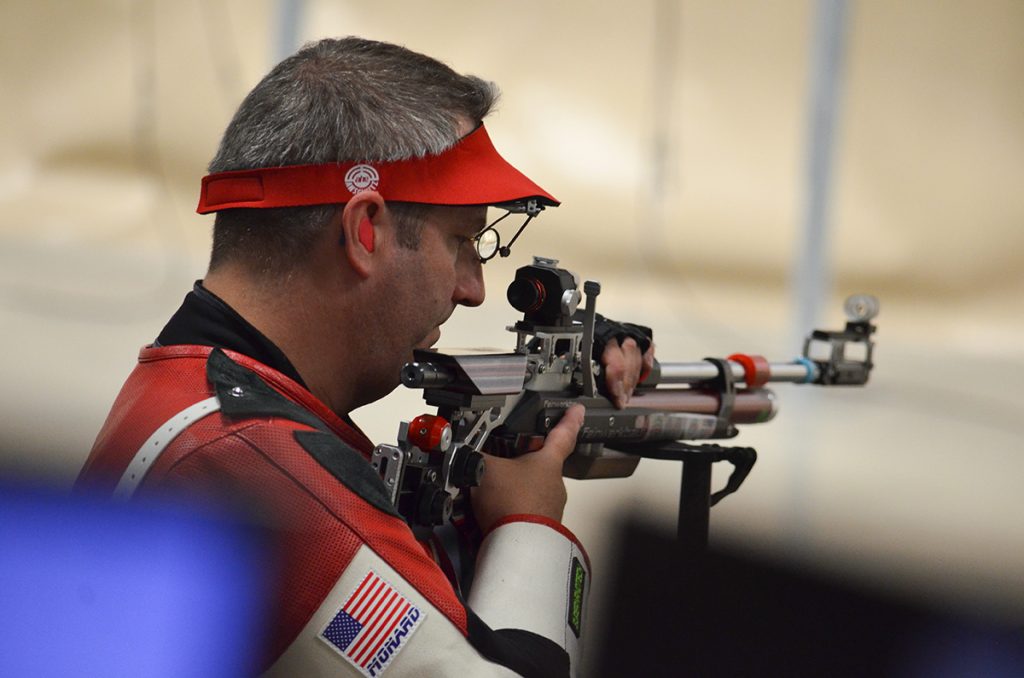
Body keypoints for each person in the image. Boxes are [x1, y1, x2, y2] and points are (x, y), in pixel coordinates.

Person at [76, 37, 652, 677]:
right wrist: (529, 523)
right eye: (463, 241)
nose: (474, 288)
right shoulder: (256, 462)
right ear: (365, 230)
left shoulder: (194, 392)